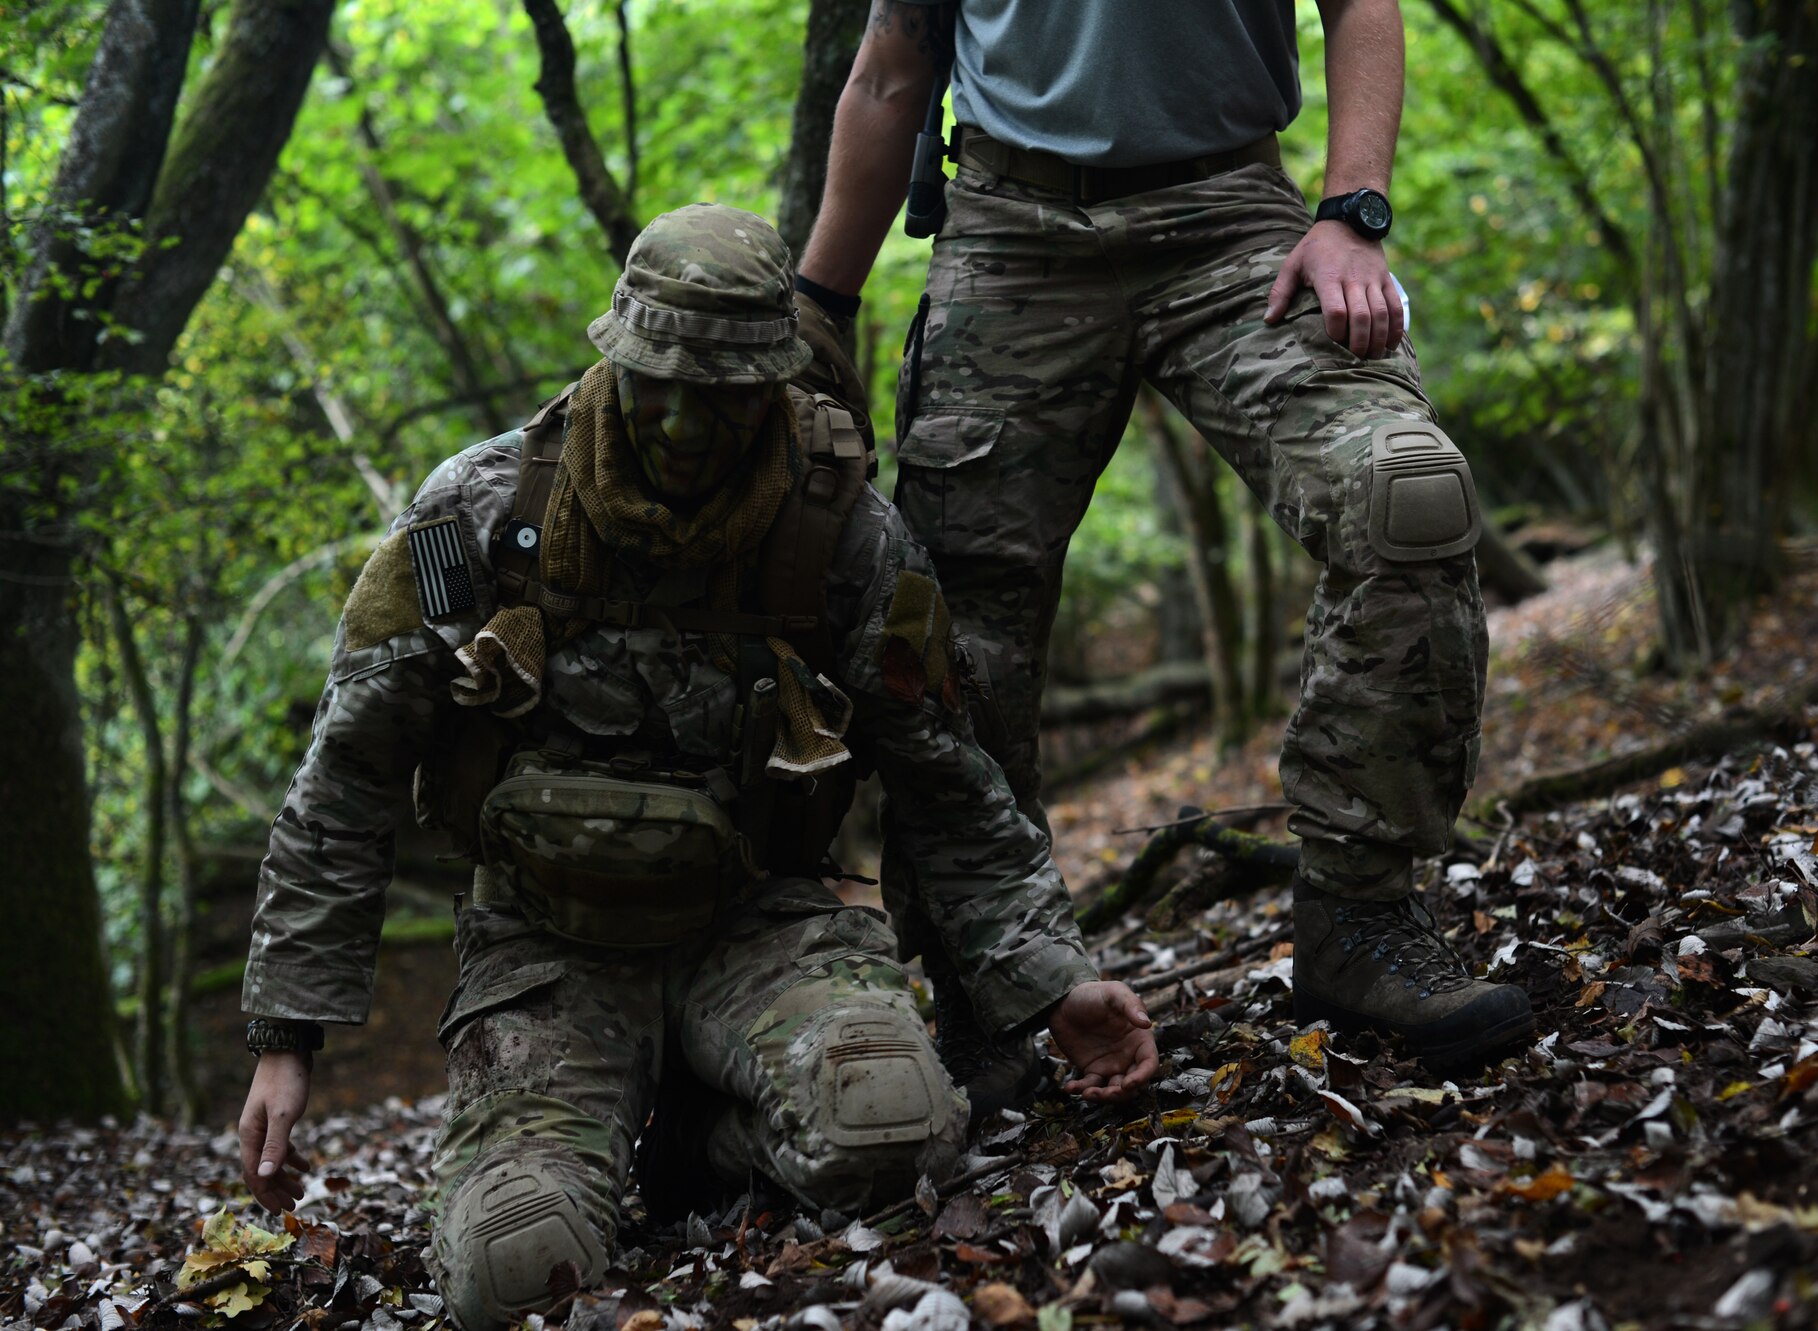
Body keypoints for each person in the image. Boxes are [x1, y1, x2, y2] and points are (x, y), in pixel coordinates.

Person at [233, 205, 1158, 1331]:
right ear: (611, 354)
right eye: (653, 379)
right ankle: (615, 1142)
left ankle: (695, 1142)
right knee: (513, 1273)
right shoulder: (476, 516)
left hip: (763, 924)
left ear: (772, 379)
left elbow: (944, 776)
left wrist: (1055, 978)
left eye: (718, 390)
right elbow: (345, 780)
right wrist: (286, 1040)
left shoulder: (843, 535)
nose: (678, 419)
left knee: (891, 1124)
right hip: (546, 948)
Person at [793, 0, 1532, 1084]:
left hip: (1232, 220)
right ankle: (992, 985)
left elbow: (1360, 5)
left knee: (1402, 493)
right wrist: (814, 311)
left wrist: (1350, 212)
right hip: (1012, 233)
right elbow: (887, 77)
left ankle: (1359, 918)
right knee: (939, 621)